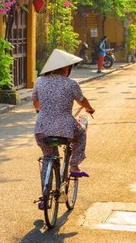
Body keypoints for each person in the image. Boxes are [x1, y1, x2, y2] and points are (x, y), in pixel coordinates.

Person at [32, 49, 95, 209]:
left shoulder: (39, 81)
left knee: (48, 157)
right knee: (81, 132)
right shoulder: (71, 84)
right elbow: (82, 101)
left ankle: (45, 197)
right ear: (66, 69)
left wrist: (43, 111)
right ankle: (74, 165)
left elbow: (36, 103)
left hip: (42, 129)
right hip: (66, 128)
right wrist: (89, 109)